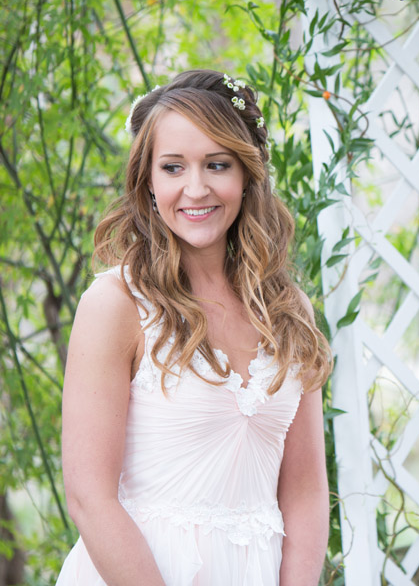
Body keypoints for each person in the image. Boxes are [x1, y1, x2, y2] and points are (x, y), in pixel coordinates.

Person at [56, 70, 332, 585]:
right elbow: (89, 497)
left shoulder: (289, 311)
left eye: (217, 164)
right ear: (148, 180)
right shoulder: (116, 305)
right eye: (173, 167)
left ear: (246, 174)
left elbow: (305, 492)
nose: (196, 188)